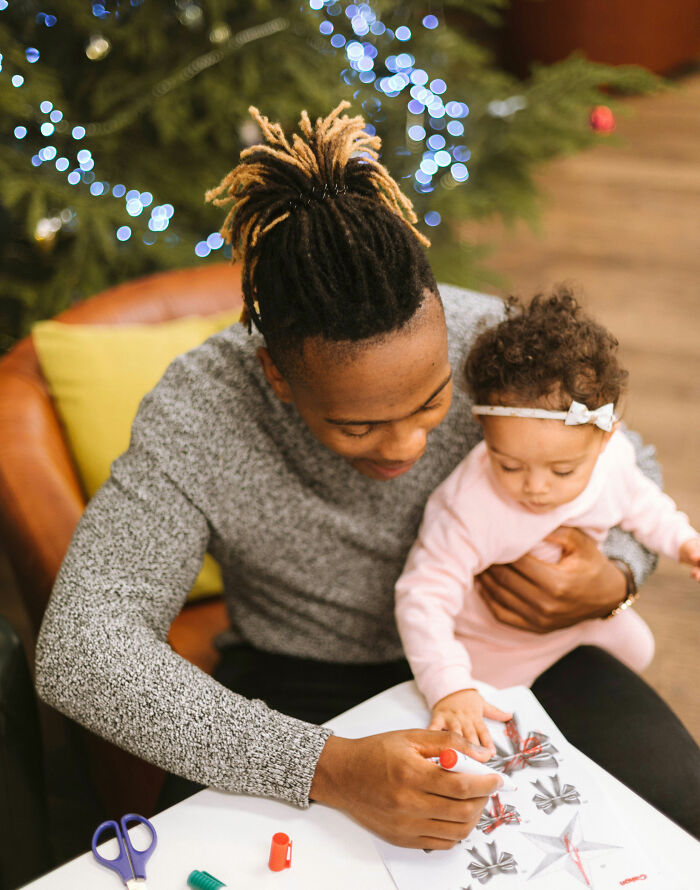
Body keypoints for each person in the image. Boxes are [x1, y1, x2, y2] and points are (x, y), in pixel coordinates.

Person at [34, 103, 700, 846]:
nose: (409, 445)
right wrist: (325, 767)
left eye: (434, 401)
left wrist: (617, 576)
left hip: (515, 650)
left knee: (681, 817)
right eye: (357, 425)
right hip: (299, 681)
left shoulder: (490, 341)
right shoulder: (199, 409)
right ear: (276, 378)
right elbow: (81, 651)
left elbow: (624, 455)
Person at [395, 291, 700, 755]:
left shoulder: (613, 459)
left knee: (639, 648)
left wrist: (684, 542)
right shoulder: (466, 504)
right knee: (492, 732)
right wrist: (451, 685)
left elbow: (643, 504)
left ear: (606, 438)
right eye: (509, 465)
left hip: (576, 618)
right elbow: (423, 596)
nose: (535, 487)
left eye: (562, 471)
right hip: (491, 643)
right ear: (485, 434)